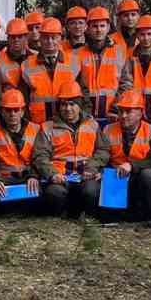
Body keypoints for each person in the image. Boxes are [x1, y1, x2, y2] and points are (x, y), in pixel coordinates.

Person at [89, 90, 151, 221]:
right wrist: (100, 171)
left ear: (140, 113)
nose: (123, 115)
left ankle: (149, 215)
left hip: (138, 176)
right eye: (121, 111)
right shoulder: (108, 129)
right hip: (115, 177)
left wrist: (132, 166)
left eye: (129, 111)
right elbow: (102, 154)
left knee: (149, 175)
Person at [0, 89, 55, 215]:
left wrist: (34, 176)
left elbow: (40, 157)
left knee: (41, 194)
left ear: (22, 111)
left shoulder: (36, 129)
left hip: (28, 177)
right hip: (5, 178)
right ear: (2, 111)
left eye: (16, 110)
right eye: (8, 110)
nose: (12, 114)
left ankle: (19, 209)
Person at [44, 79, 100, 219]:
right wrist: (52, 174)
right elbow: (40, 156)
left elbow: (103, 150)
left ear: (79, 105)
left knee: (91, 191)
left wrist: (92, 168)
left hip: (85, 176)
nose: (67, 108)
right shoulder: (47, 127)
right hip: (61, 178)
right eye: (64, 104)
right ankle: (65, 212)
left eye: (72, 104)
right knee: (54, 193)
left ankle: (86, 214)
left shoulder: (92, 124)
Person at [75, 6, 130, 125]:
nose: (99, 30)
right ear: (87, 28)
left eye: (102, 26)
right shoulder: (77, 54)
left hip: (113, 116)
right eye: (94, 26)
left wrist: (115, 109)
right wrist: (84, 112)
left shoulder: (120, 51)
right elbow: (76, 86)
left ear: (108, 27)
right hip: (86, 116)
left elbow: (126, 84)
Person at [18, 18, 78, 126]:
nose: (50, 41)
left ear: (60, 38)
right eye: (45, 37)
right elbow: (23, 98)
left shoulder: (74, 62)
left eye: (53, 37)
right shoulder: (26, 65)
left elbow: (82, 95)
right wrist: (27, 123)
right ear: (40, 38)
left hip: (65, 124)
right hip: (37, 124)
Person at [0, 18, 32, 92]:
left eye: (20, 37)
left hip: (33, 102)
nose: (16, 40)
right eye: (13, 37)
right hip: (9, 102)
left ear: (26, 37)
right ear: (8, 38)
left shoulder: (36, 57)